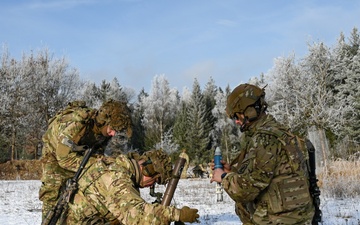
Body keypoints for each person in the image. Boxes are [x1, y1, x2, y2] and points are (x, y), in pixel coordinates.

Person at [211, 83, 315, 225]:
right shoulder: (283, 133)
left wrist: (223, 177)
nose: (236, 121)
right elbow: (271, 175)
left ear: (248, 111)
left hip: (278, 220)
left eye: (237, 116)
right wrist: (232, 172)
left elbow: (248, 190)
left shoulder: (264, 140)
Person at [39, 99, 132, 220]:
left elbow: (96, 156)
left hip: (77, 155)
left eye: (117, 131)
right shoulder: (79, 124)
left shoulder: (104, 133)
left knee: (81, 191)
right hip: (54, 154)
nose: (113, 134)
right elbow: (63, 159)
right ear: (104, 121)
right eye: (112, 129)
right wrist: (94, 164)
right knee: (53, 195)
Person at [65, 149, 200, 225]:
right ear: (148, 170)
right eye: (155, 180)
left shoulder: (120, 168)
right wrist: (177, 214)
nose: (151, 185)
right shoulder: (117, 177)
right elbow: (136, 216)